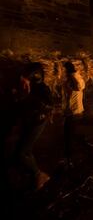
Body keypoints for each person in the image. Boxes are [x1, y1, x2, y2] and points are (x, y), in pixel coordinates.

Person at [14, 62, 52, 190]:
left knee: (22, 153)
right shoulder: (30, 87)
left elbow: (47, 106)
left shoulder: (43, 88)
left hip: (37, 122)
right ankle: (32, 176)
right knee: (25, 150)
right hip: (29, 121)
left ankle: (39, 175)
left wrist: (27, 97)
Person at [62, 61, 86, 168]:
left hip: (74, 112)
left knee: (70, 136)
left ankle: (71, 159)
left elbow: (81, 86)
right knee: (68, 135)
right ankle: (70, 157)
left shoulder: (76, 79)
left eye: (64, 69)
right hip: (70, 112)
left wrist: (73, 73)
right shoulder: (68, 80)